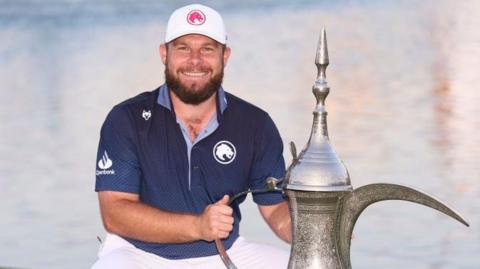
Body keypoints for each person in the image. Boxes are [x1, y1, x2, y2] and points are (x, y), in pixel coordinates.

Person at [92, 3, 291, 269]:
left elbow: (275, 209)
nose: (195, 60)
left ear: (225, 56)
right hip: (137, 255)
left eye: (207, 49)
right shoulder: (126, 119)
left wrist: (324, 227)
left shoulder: (255, 124)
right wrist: (197, 226)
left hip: (225, 252)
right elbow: (115, 213)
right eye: (183, 48)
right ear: (165, 54)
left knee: (313, 264)